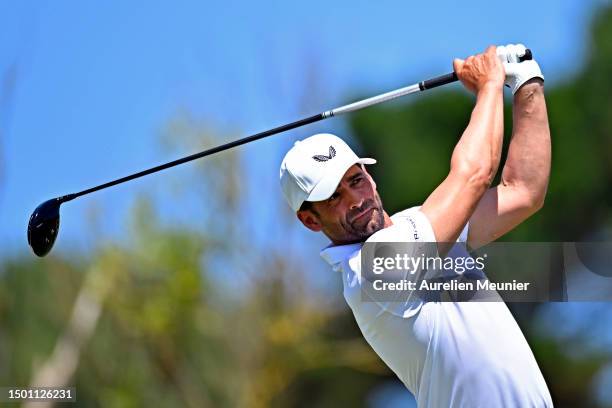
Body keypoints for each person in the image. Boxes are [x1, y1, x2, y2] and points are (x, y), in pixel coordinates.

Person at [279, 44, 553, 407]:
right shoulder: (371, 268)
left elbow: (523, 191)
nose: (355, 200)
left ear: (370, 177)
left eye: (355, 180)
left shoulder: (420, 225)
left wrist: (525, 82)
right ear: (310, 220)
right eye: (333, 197)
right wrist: (489, 85)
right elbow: (473, 175)